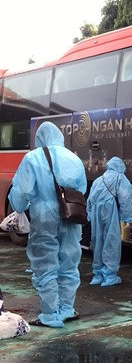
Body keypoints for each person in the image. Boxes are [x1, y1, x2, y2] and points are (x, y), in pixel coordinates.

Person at [9, 122, 86, 328]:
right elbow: (81, 189)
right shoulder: (74, 158)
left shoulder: (33, 157)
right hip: (70, 213)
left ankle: (50, 314)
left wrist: (18, 207)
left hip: (44, 215)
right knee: (69, 262)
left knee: (45, 263)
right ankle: (67, 308)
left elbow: (22, 192)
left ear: (39, 138)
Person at [86, 157, 132, 287]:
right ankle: (110, 275)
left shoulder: (98, 180)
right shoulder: (120, 178)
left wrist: (89, 214)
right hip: (109, 209)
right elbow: (125, 198)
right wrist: (126, 218)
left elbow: (90, 200)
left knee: (97, 241)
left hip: (96, 211)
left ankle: (97, 274)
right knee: (111, 240)